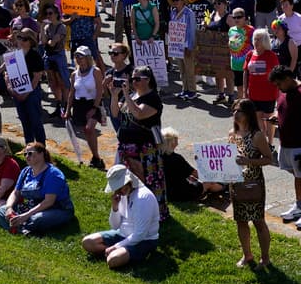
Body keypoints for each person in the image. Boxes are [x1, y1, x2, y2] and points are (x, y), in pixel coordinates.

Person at [111, 65, 168, 221]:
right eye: (132, 79)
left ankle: (150, 213)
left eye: (137, 79)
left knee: (144, 180)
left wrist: (126, 95)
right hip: (126, 146)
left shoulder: (153, 98)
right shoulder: (131, 95)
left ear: (148, 80)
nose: (133, 82)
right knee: (128, 182)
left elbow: (139, 114)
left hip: (143, 148)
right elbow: (115, 113)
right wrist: (115, 95)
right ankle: (131, 210)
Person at [82, 164, 160, 269]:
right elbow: (115, 226)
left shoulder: (143, 198)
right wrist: (115, 208)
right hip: (122, 234)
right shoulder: (123, 195)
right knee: (87, 242)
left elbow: (140, 234)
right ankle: (116, 252)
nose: (117, 192)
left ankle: (118, 253)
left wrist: (116, 246)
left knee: (112, 261)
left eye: (119, 187)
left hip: (144, 240)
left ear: (129, 181)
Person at [270, 66, 301, 230]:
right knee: (297, 176)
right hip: (286, 143)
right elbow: (282, 110)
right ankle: (299, 206)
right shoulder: (283, 92)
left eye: (279, 84)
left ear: (287, 79)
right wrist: (276, 117)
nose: (278, 88)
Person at [229, 99, 275, 268]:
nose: (235, 114)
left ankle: (265, 258)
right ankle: (247, 255)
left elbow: (269, 159)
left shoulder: (257, 135)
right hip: (236, 183)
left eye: (239, 111)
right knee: (241, 220)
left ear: (248, 114)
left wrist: (249, 161)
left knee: (258, 221)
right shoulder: (231, 134)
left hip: (253, 184)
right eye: (233, 110)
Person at [0, 142, 75, 235]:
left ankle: (18, 227)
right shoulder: (25, 171)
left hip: (57, 209)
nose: (26, 156)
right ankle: (22, 229)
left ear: (41, 154)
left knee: (37, 219)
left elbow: (49, 202)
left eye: (30, 153)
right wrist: (9, 208)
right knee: (2, 210)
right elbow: (15, 193)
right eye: (25, 154)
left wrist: (26, 215)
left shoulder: (53, 174)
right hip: (32, 207)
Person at [66, 46, 106, 170]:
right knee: (86, 131)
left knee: (89, 129)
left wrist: (95, 107)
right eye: (76, 56)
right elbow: (71, 93)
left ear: (88, 58)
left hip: (92, 103)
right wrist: (68, 110)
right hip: (79, 104)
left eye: (81, 56)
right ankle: (96, 157)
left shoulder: (95, 71)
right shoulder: (74, 74)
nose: (78, 59)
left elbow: (100, 90)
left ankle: (96, 157)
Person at [159, 127, 223, 202]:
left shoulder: (158, 157)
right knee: (208, 183)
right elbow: (196, 173)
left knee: (192, 179)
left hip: (167, 192)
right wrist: (210, 178)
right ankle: (224, 186)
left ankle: (210, 187)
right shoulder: (177, 159)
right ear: (172, 143)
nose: (177, 143)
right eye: (176, 140)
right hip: (182, 194)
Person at [6, 27, 47, 145]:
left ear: (30, 41)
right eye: (19, 37)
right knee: (24, 120)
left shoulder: (34, 55)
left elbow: (37, 77)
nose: (21, 40)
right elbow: (7, 73)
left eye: (24, 38)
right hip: (17, 92)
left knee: (35, 120)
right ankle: (29, 146)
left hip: (31, 93)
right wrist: (11, 89)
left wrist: (26, 93)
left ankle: (41, 147)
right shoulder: (13, 54)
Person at [244, 28, 280, 145]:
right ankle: (263, 142)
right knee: (258, 119)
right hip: (254, 93)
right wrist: (245, 90)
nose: (256, 41)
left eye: (259, 39)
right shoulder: (250, 54)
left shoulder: (271, 55)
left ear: (265, 41)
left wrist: (279, 92)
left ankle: (270, 143)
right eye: (255, 39)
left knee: (269, 120)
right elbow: (246, 72)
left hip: (268, 94)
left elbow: (277, 74)